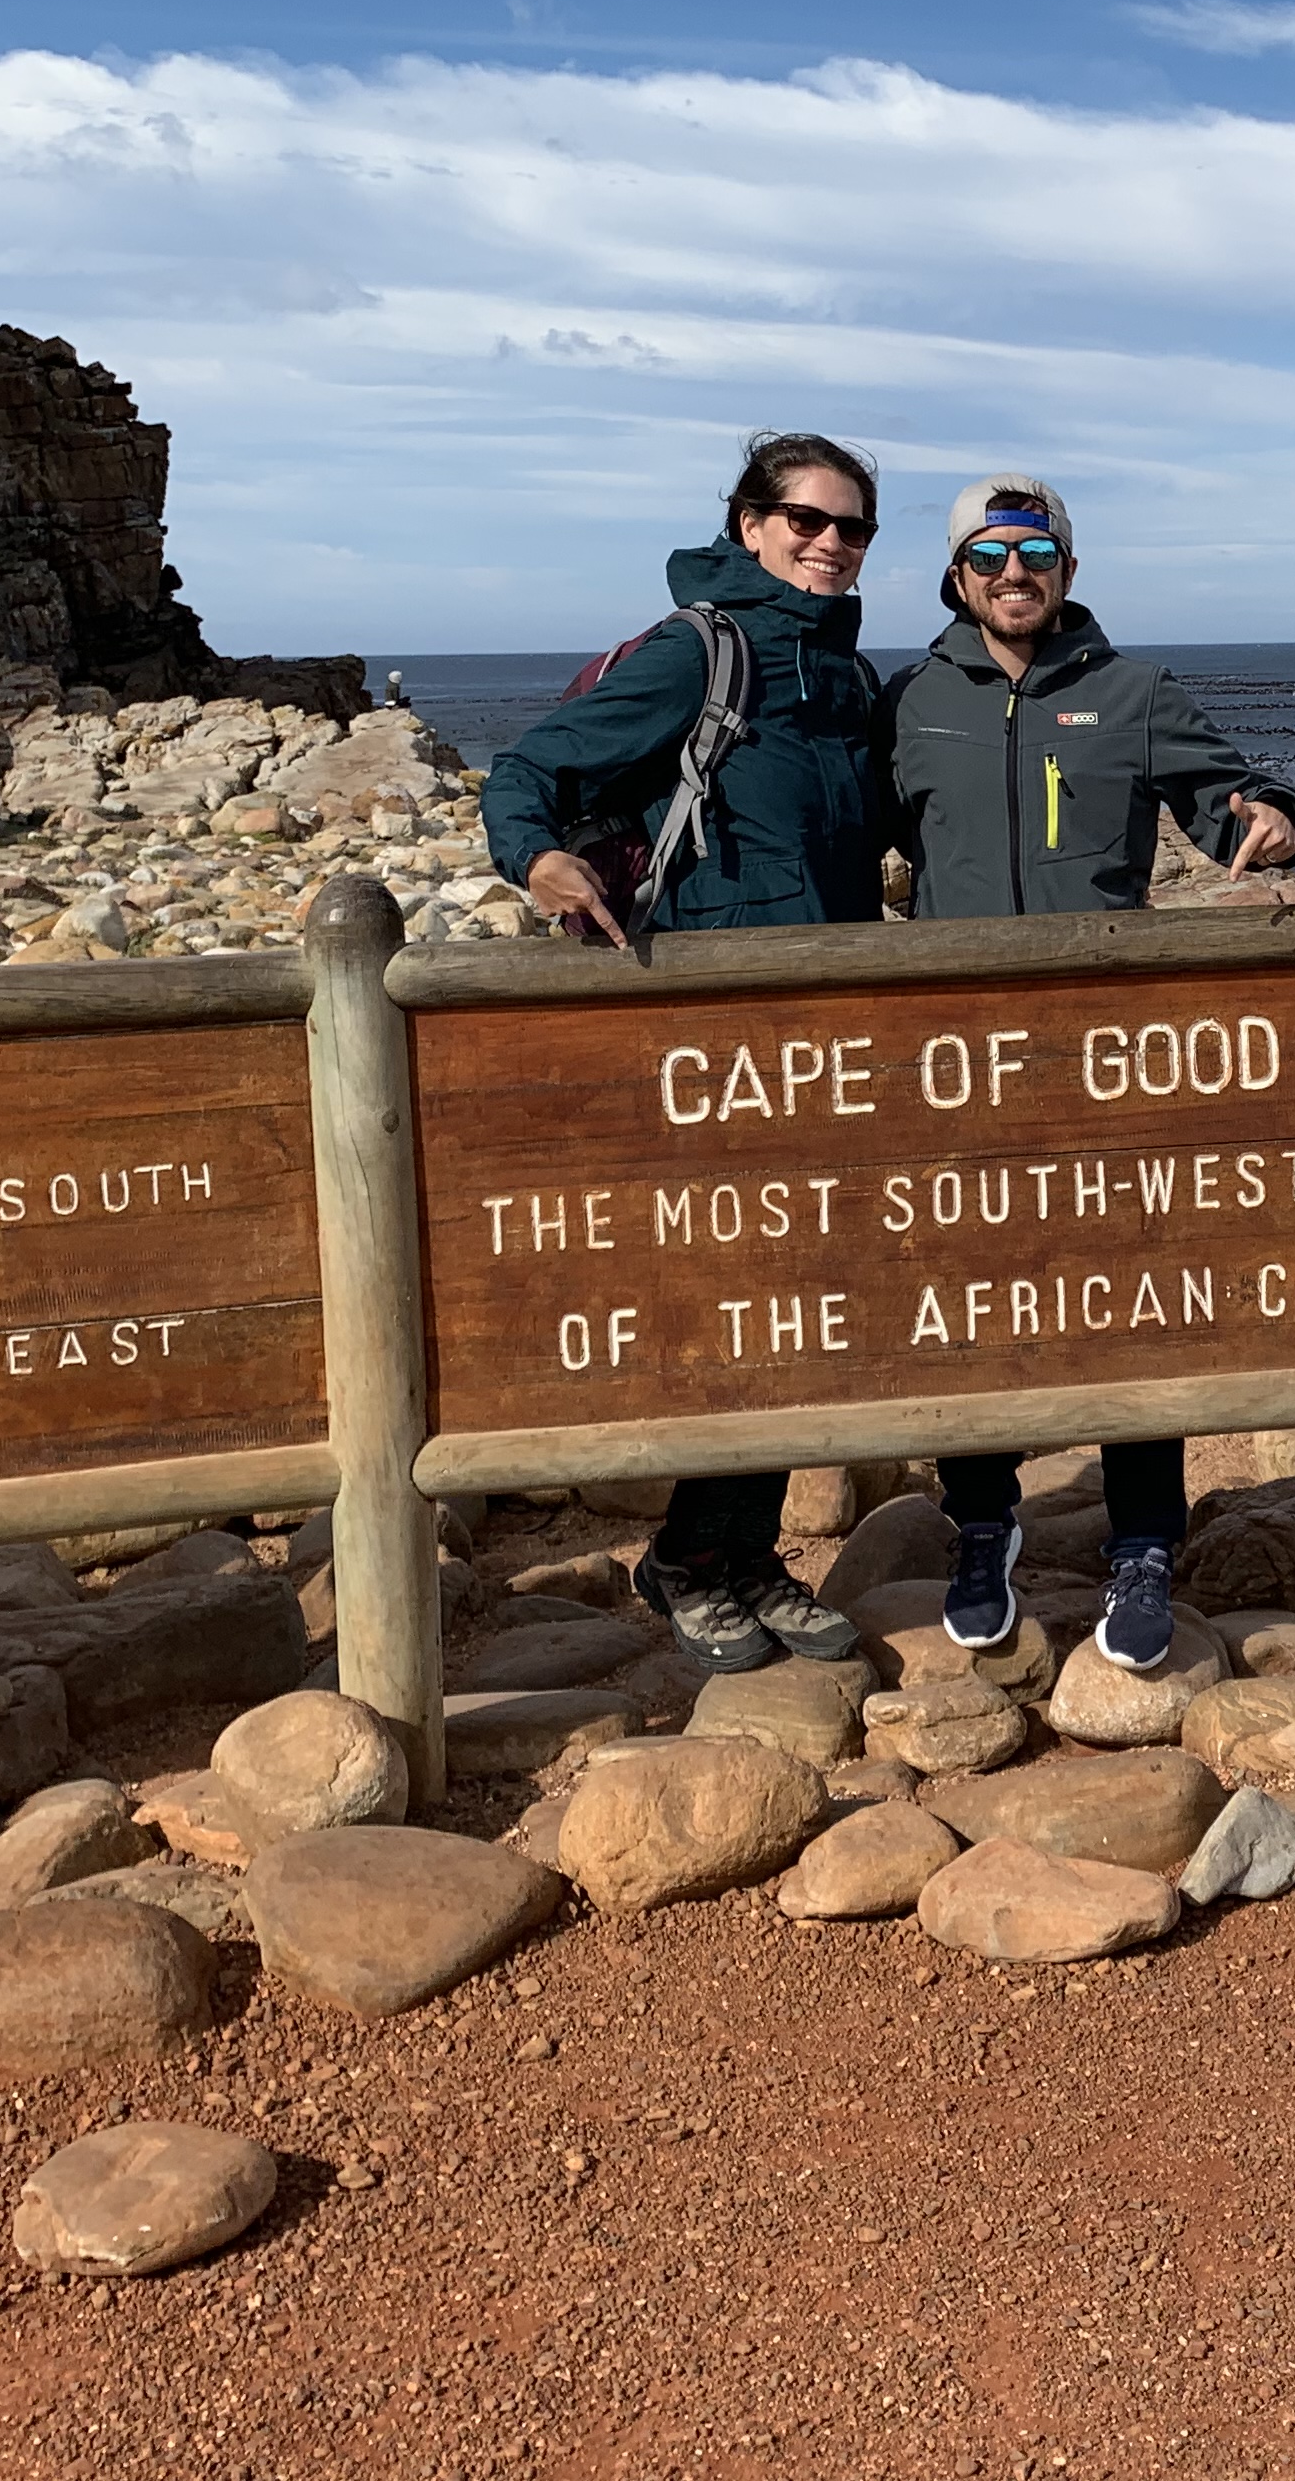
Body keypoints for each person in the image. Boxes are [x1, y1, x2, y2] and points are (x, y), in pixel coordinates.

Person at [882, 474, 1295, 1672]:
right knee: (973, 1293)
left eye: (1036, 552)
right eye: (989, 555)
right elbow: (839, 827)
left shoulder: (1135, 691)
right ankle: (983, 1521)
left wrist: (1277, 816)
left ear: (1068, 570)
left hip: (1107, 1053)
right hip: (961, 1055)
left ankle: (1142, 1542)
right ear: (958, 576)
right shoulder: (911, 699)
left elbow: (1237, 795)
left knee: (1137, 1295)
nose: (1013, 573)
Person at [478, 432, 889, 1672]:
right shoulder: (700, 650)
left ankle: (735, 1552)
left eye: (853, 527)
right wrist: (537, 858)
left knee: (805, 1300)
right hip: (711, 1039)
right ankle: (692, 1559)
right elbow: (529, 767)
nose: (830, 544)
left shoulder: (846, 675)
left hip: (825, 1038)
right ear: (750, 524)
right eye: (806, 520)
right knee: (746, 1302)